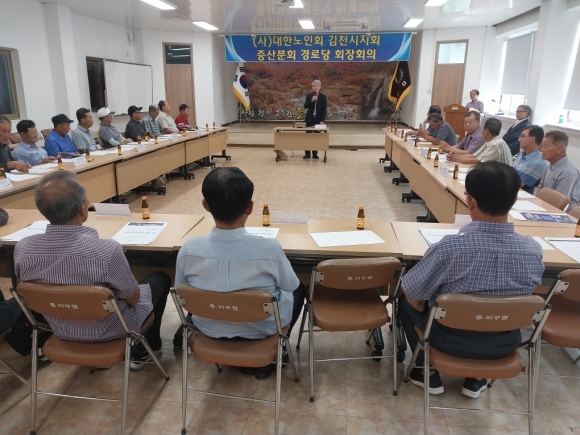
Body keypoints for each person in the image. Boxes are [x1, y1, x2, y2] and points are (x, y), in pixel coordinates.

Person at [399, 161, 544, 398]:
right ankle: (476, 379)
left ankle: (424, 371)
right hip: (504, 343)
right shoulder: (533, 251)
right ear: (515, 200)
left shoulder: (449, 248)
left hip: (448, 341)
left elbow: (414, 296)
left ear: (470, 201)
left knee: (405, 298)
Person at [14, 171, 171, 369]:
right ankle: (144, 351)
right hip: (113, 331)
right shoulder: (107, 250)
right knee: (160, 279)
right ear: (82, 208)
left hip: (61, 329)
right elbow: (133, 298)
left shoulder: (23, 249)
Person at [175, 167, 306, 380]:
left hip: (209, 328)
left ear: (205, 205)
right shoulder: (270, 249)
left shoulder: (189, 249)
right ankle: (276, 352)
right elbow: (290, 285)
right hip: (261, 329)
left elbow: (181, 293)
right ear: (250, 208)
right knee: (298, 288)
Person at [538, 130, 580, 208]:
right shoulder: (549, 167)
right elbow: (540, 191)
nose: (542, 149)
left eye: (546, 146)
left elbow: (559, 203)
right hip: (545, 206)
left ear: (559, 149)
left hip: (562, 212)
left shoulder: (568, 172)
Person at [447, 117, 512, 165]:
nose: (481, 131)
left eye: (483, 129)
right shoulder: (490, 141)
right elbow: (475, 155)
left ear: (487, 131)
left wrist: (456, 159)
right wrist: (455, 156)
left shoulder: (495, 144)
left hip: (504, 177)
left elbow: (479, 161)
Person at [513, 125, 547, 194]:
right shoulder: (522, 154)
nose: (520, 140)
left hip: (519, 195)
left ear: (532, 139)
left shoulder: (537, 163)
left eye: (523, 136)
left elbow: (516, 186)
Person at [303, 79, 327, 159]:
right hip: (309, 120)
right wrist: (312, 100)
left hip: (318, 120)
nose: (315, 88)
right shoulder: (309, 96)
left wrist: (322, 120)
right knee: (308, 137)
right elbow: (306, 106)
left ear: (319, 87)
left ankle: (315, 153)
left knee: (316, 137)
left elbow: (324, 110)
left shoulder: (323, 97)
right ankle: (307, 153)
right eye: (313, 86)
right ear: (312, 87)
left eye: (316, 86)